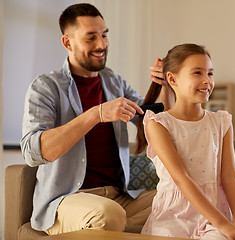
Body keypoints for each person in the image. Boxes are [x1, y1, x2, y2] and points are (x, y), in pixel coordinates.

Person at [20, 3, 171, 235]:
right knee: (107, 215)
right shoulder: (45, 87)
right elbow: (33, 152)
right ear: (67, 42)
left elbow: (153, 122)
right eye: (91, 38)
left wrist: (165, 87)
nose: (101, 45)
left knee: (180, 200)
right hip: (67, 201)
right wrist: (96, 114)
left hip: (121, 198)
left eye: (104, 35)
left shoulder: (114, 82)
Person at [137, 43, 235, 240]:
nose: (206, 81)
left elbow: (230, 176)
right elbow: (181, 178)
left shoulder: (221, 122)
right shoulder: (158, 123)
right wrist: (225, 225)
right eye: (197, 73)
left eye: (210, 73)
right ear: (172, 79)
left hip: (214, 215)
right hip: (173, 216)